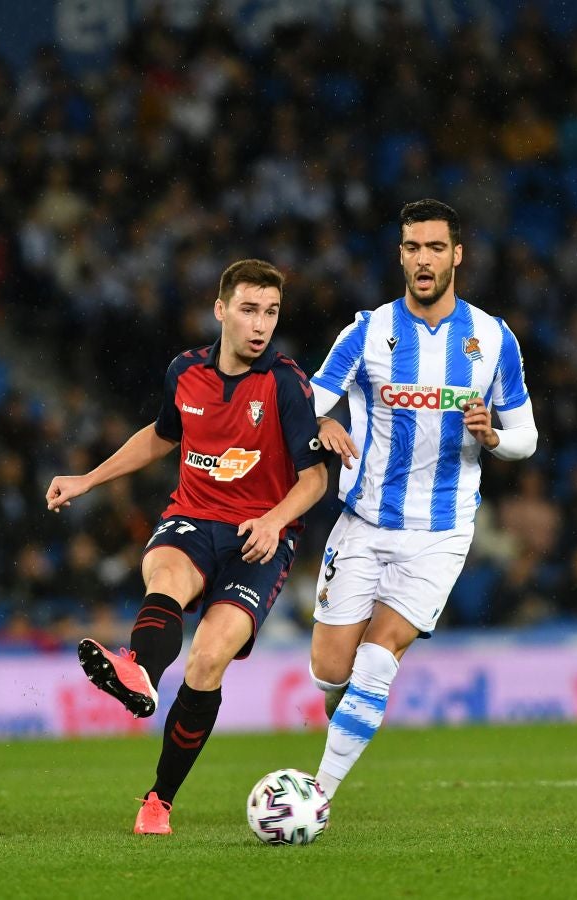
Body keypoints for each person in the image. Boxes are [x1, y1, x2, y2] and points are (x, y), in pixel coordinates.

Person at [44, 259, 328, 834]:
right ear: (220, 310)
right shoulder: (185, 372)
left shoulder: (286, 385)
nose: (261, 325)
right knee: (165, 575)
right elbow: (160, 437)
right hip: (193, 517)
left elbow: (316, 478)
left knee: (206, 659)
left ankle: (158, 800)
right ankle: (139, 671)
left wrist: (274, 521)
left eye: (271, 312)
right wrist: (87, 479)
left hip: (259, 538)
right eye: (249, 310)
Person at [306, 199, 538, 799]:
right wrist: (325, 424)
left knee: (379, 657)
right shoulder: (368, 331)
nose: (424, 259)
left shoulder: (491, 337)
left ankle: (317, 794)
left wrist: (493, 437)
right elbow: (311, 397)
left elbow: (527, 438)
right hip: (363, 521)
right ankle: (349, 715)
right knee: (332, 670)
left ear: (457, 255)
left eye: (436, 247)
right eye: (413, 248)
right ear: (401, 254)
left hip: (440, 531)